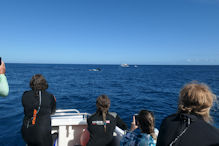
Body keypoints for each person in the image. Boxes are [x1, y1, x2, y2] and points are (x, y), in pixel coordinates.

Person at [21, 74, 56, 146]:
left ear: (31, 83)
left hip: (27, 133)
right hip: (43, 137)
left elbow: (26, 110)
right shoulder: (50, 96)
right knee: (55, 136)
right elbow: (52, 112)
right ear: (44, 83)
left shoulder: (25, 95)